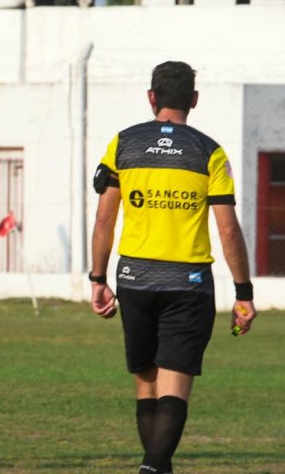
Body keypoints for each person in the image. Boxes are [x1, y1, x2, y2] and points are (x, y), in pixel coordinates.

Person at [89, 61, 257, 473]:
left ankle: (156, 467)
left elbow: (104, 220)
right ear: (193, 101)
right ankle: (153, 467)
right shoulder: (209, 152)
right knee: (175, 386)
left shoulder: (122, 144)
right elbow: (228, 230)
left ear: (152, 97)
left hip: (133, 279)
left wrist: (98, 278)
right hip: (188, 283)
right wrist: (244, 293)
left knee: (147, 383)